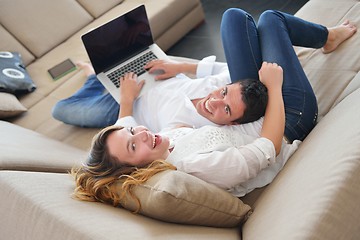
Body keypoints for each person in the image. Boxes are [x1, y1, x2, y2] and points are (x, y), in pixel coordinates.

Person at [71, 8, 356, 209]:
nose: (142, 134)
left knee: (235, 17)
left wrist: (129, 103)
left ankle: (92, 75)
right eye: (134, 146)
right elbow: (269, 148)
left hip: (250, 109)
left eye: (134, 131)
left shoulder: (166, 142)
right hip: (287, 121)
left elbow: (125, 131)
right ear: (132, 172)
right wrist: (274, 87)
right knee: (271, 21)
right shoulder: (196, 168)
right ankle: (326, 38)